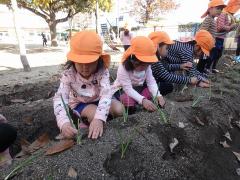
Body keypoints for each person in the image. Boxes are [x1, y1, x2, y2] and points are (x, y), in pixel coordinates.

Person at [53, 31, 123, 140]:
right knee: (94, 113)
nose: (85, 67)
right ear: (73, 61)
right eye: (80, 62)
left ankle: (101, 118)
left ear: (99, 60)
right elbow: (60, 99)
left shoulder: (102, 71)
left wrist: (99, 119)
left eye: (90, 62)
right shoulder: (69, 75)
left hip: (99, 98)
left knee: (119, 110)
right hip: (81, 102)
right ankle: (82, 120)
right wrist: (64, 123)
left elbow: (106, 94)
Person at [112, 36, 165, 113]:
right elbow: (128, 89)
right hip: (122, 90)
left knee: (152, 91)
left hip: (138, 88)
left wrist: (158, 95)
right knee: (127, 99)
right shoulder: (123, 68)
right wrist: (142, 100)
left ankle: (138, 101)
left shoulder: (147, 66)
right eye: (140, 64)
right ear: (132, 59)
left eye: (146, 65)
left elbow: (151, 82)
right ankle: (135, 104)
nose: (143, 68)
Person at [197, 0, 226, 73]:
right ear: (210, 9)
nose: (219, 11)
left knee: (206, 59)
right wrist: (202, 44)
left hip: (209, 45)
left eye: (221, 9)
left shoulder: (212, 19)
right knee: (203, 59)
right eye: (218, 8)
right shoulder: (208, 19)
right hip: (205, 46)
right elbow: (202, 31)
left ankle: (201, 71)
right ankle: (199, 72)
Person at [211, 0, 239, 73]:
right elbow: (220, 27)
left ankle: (213, 68)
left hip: (222, 38)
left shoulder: (229, 16)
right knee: (214, 54)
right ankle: (208, 68)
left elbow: (226, 30)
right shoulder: (223, 14)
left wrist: (232, 27)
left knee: (219, 54)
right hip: (217, 37)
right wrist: (231, 27)